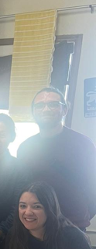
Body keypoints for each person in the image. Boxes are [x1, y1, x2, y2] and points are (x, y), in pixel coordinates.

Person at [17, 87, 96, 230]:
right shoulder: (25, 148)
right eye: (40, 105)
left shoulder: (84, 144)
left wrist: (81, 216)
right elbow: (21, 187)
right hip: (35, 227)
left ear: (64, 110)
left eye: (53, 104)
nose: (46, 109)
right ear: (34, 112)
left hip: (73, 225)